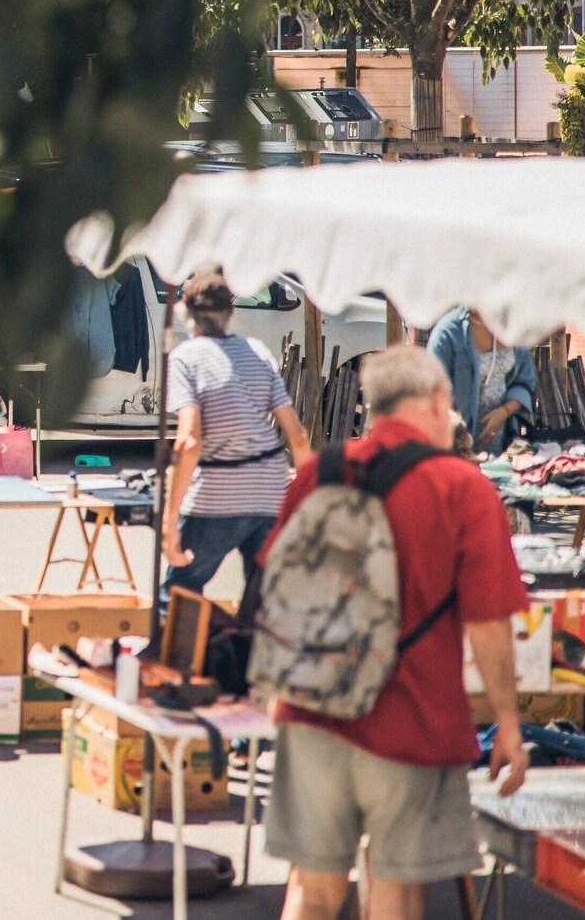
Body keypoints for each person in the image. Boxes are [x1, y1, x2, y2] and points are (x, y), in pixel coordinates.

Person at [262, 344, 529, 920]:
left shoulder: (317, 474)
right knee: (395, 892)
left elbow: (273, 585)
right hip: (412, 721)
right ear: (438, 401)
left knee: (311, 890)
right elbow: (487, 624)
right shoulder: (462, 490)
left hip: (312, 711)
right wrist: (507, 722)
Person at [160, 267, 311, 606]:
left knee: (180, 592)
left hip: (217, 491)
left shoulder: (186, 358)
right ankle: (252, 656)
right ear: (231, 314)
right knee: (262, 600)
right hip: (268, 491)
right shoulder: (258, 352)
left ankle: (177, 660)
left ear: (187, 315)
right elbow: (297, 436)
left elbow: (189, 441)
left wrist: (170, 520)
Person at [427, 307, 536, 453]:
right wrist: (458, 434)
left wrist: (504, 412)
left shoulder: (511, 328)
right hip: (455, 446)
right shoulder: (448, 334)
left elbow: (525, 381)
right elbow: (431, 391)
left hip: (501, 444)